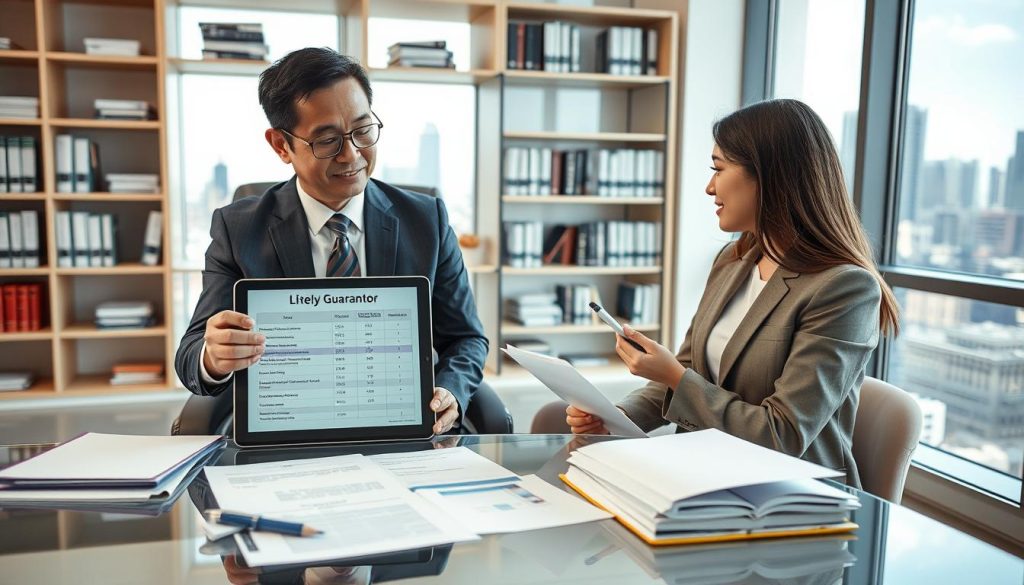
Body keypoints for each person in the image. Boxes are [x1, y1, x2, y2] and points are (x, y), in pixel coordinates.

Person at [566, 99, 899, 487]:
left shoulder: (844, 287)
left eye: (718, 169)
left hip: (787, 497)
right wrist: (612, 417)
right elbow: (689, 371)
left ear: (771, 177)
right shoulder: (733, 260)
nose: (709, 187)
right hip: (703, 476)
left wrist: (674, 375)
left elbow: (782, 436)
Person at [174, 48, 487, 435]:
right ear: (281, 145)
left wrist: (451, 391)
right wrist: (215, 357)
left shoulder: (427, 221)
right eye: (327, 140)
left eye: (363, 130)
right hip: (286, 437)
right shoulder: (238, 229)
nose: (352, 154)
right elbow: (190, 355)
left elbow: (466, 338)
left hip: (405, 430)